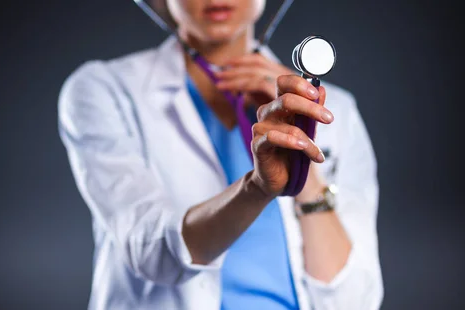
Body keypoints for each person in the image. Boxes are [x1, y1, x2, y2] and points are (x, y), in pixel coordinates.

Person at [58, 0, 383, 309]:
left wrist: (304, 168)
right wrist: (257, 188)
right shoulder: (105, 90)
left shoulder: (335, 110)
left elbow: (354, 301)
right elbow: (151, 252)